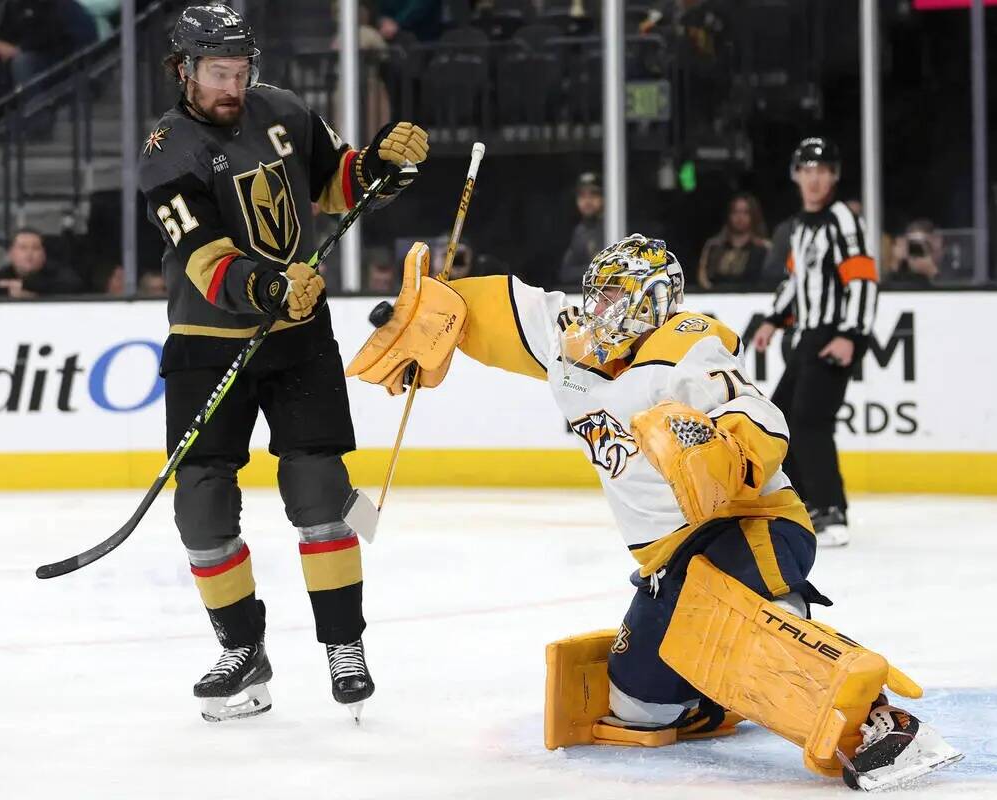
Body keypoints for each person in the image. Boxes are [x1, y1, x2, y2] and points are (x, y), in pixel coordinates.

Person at [351, 233, 960, 792]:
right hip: (670, 558)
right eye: (598, 296)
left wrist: (725, 450)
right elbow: (507, 310)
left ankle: (880, 719)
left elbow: (760, 418)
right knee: (637, 706)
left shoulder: (688, 354)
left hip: (756, 526)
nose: (600, 311)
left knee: (715, 605)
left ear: (655, 301)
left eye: (617, 298)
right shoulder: (573, 342)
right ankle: (723, 690)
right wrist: (432, 309)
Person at [137, 5, 428, 723]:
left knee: (319, 488)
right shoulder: (165, 149)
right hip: (207, 342)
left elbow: (340, 184)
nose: (232, 85)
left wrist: (385, 166)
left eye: (240, 71)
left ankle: (343, 646)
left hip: (298, 336)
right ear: (184, 71)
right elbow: (201, 254)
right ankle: (243, 649)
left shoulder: (285, 111)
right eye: (217, 73)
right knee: (201, 505)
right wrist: (266, 284)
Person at [750, 137, 878, 547]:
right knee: (782, 419)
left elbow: (862, 278)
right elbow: (795, 282)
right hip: (808, 336)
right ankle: (803, 503)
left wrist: (850, 336)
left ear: (835, 176)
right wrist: (773, 319)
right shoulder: (801, 227)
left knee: (810, 420)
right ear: (795, 176)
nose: (814, 179)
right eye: (806, 170)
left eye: (822, 171)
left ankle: (831, 510)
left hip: (833, 334)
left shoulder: (842, 218)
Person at [0, 228, 83, 296]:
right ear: (11, 253)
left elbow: (73, 285)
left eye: (35, 248)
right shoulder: (2, 276)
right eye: (23, 248)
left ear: (43, 254)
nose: (29, 254)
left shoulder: (59, 274)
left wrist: (27, 286)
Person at [696, 192, 770, 289]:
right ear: (729, 215)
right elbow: (703, 279)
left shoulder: (763, 248)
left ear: (753, 215)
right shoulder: (714, 247)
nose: (740, 217)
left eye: (745, 212)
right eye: (735, 212)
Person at [557, 172, 604, 286]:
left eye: (593, 195)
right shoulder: (580, 231)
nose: (587, 201)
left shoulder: (616, 226)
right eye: (582, 196)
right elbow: (566, 273)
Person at [886, 218, 941, 287]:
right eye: (912, 245)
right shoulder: (904, 278)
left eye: (919, 245)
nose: (916, 251)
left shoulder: (950, 271)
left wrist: (931, 271)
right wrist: (895, 263)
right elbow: (888, 289)